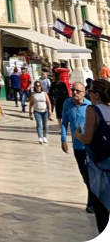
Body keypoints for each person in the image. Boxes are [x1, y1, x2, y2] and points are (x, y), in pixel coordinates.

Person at [75, 78, 110, 235]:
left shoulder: (93, 110)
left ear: (96, 94)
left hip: (98, 166)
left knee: (101, 208)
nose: (88, 94)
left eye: (90, 91)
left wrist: (77, 135)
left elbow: (88, 138)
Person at [61, 81, 93, 214]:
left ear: (84, 93)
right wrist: (63, 139)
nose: (74, 93)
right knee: (84, 175)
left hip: (90, 146)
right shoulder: (67, 104)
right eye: (73, 90)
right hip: (77, 146)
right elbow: (64, 122)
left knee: (91, 175)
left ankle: (91, 203)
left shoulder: (89, 106)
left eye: (77, 91)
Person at [28, 79, 53, 144]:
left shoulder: (44, 93)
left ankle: (44, 137)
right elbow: (31, 103)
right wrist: (30, 111)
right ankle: (40, 137)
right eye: (37, 86)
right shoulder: (33, 94)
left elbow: (48, 102)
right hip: (37, 111)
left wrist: (50, 111)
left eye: (39, 85)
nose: (38, 87)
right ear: (35, 87)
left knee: (45, 124)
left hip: (45, 111)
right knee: (39, 124)